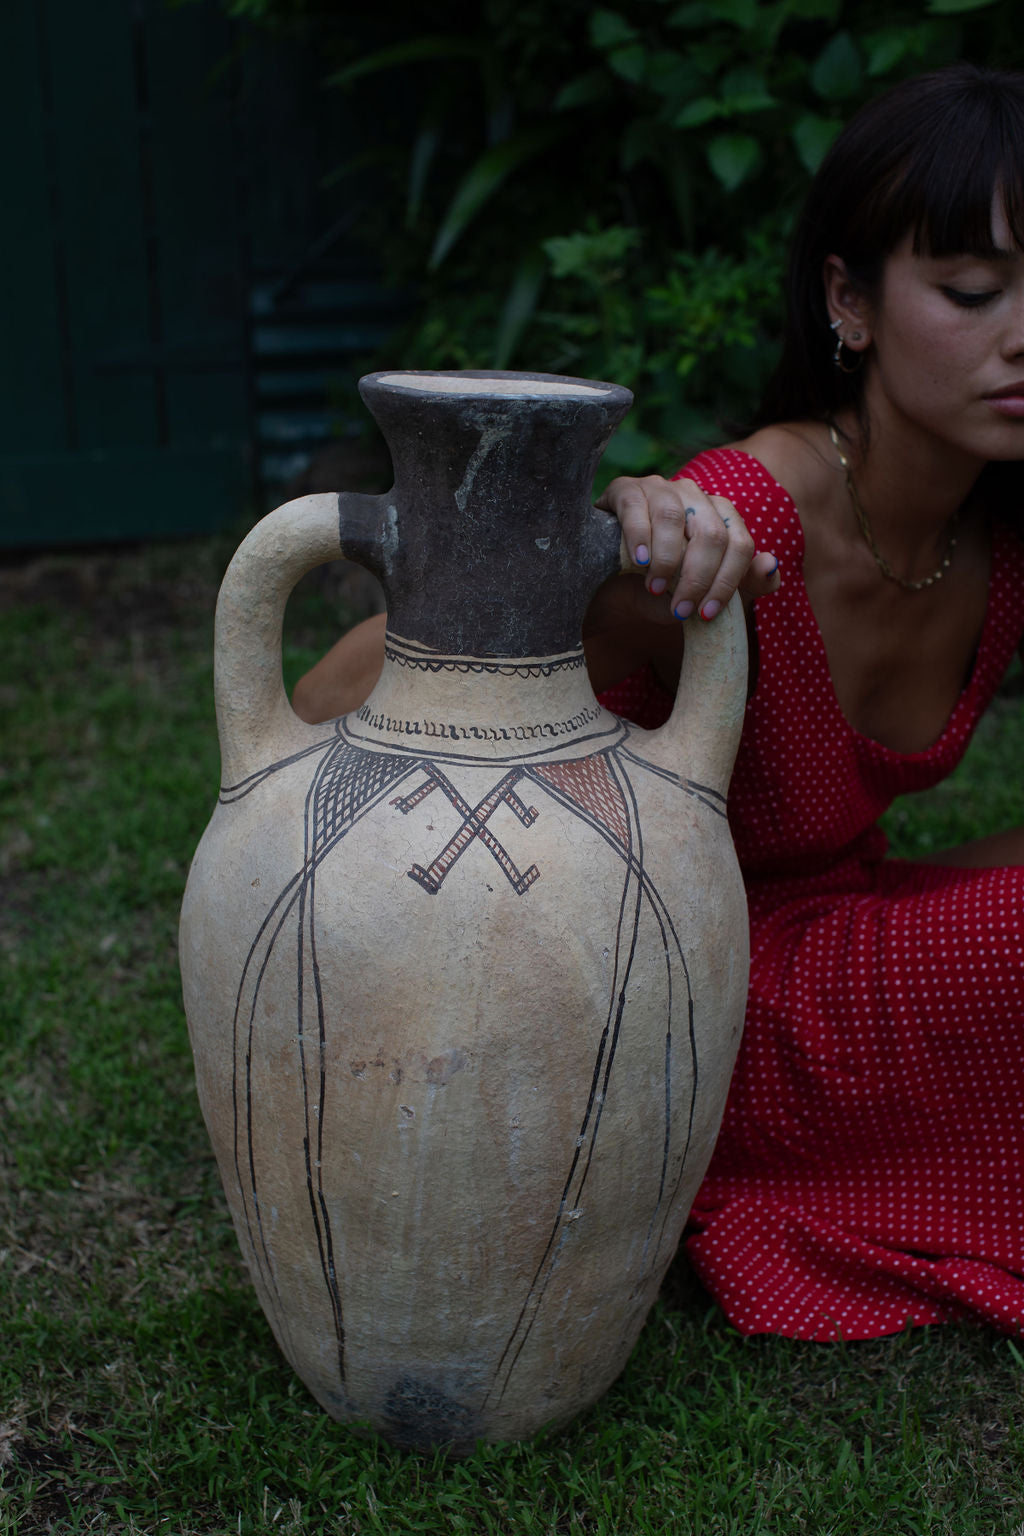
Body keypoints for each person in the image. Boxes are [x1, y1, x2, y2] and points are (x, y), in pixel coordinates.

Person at [292, 63, 1024, 1342]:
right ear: (847, 302)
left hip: (826, 936)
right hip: (666, 1002)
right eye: (972, 291)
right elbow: (315, 710)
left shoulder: (994, 541)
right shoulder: (738, 520)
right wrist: (581, 574)